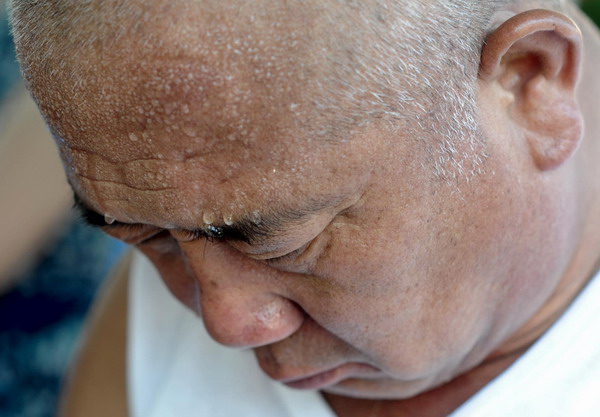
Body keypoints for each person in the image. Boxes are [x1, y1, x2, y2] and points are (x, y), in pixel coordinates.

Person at [7, 0, 600, 415]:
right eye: (147, 240)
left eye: (278, 243)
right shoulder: (188, 202)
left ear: (531, 82)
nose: (227, 327)